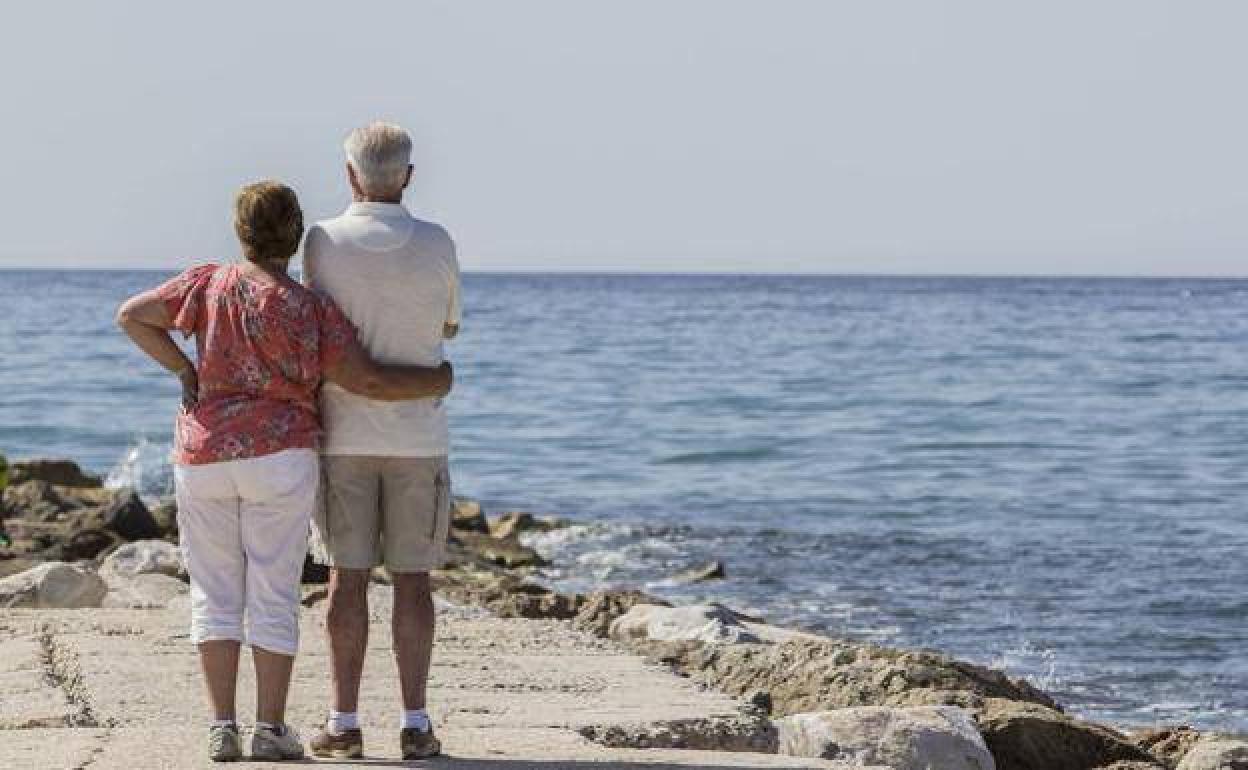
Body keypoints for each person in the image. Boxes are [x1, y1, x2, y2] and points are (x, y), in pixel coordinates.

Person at [116, 180, 453, 763]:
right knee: (272, 592)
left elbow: (134, 317)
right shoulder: (309, 309)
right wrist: (437, 381)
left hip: (203, 456)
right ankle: (269, 729)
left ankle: (222, 727)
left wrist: (183, 371)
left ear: (240, 233)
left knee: (214, 594)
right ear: (296, 238)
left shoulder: (205, 283)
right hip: (280, 456)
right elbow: (366, 379)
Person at [303, 122, 460, 761]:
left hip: (342, 435)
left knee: (346, 579)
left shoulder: (321, 241)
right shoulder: (438, 241)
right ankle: (415, 723)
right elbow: (448, 326)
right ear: (409, 176)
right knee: (414, 581)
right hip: (419, 436)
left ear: (349, 175)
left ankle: (344, 723)